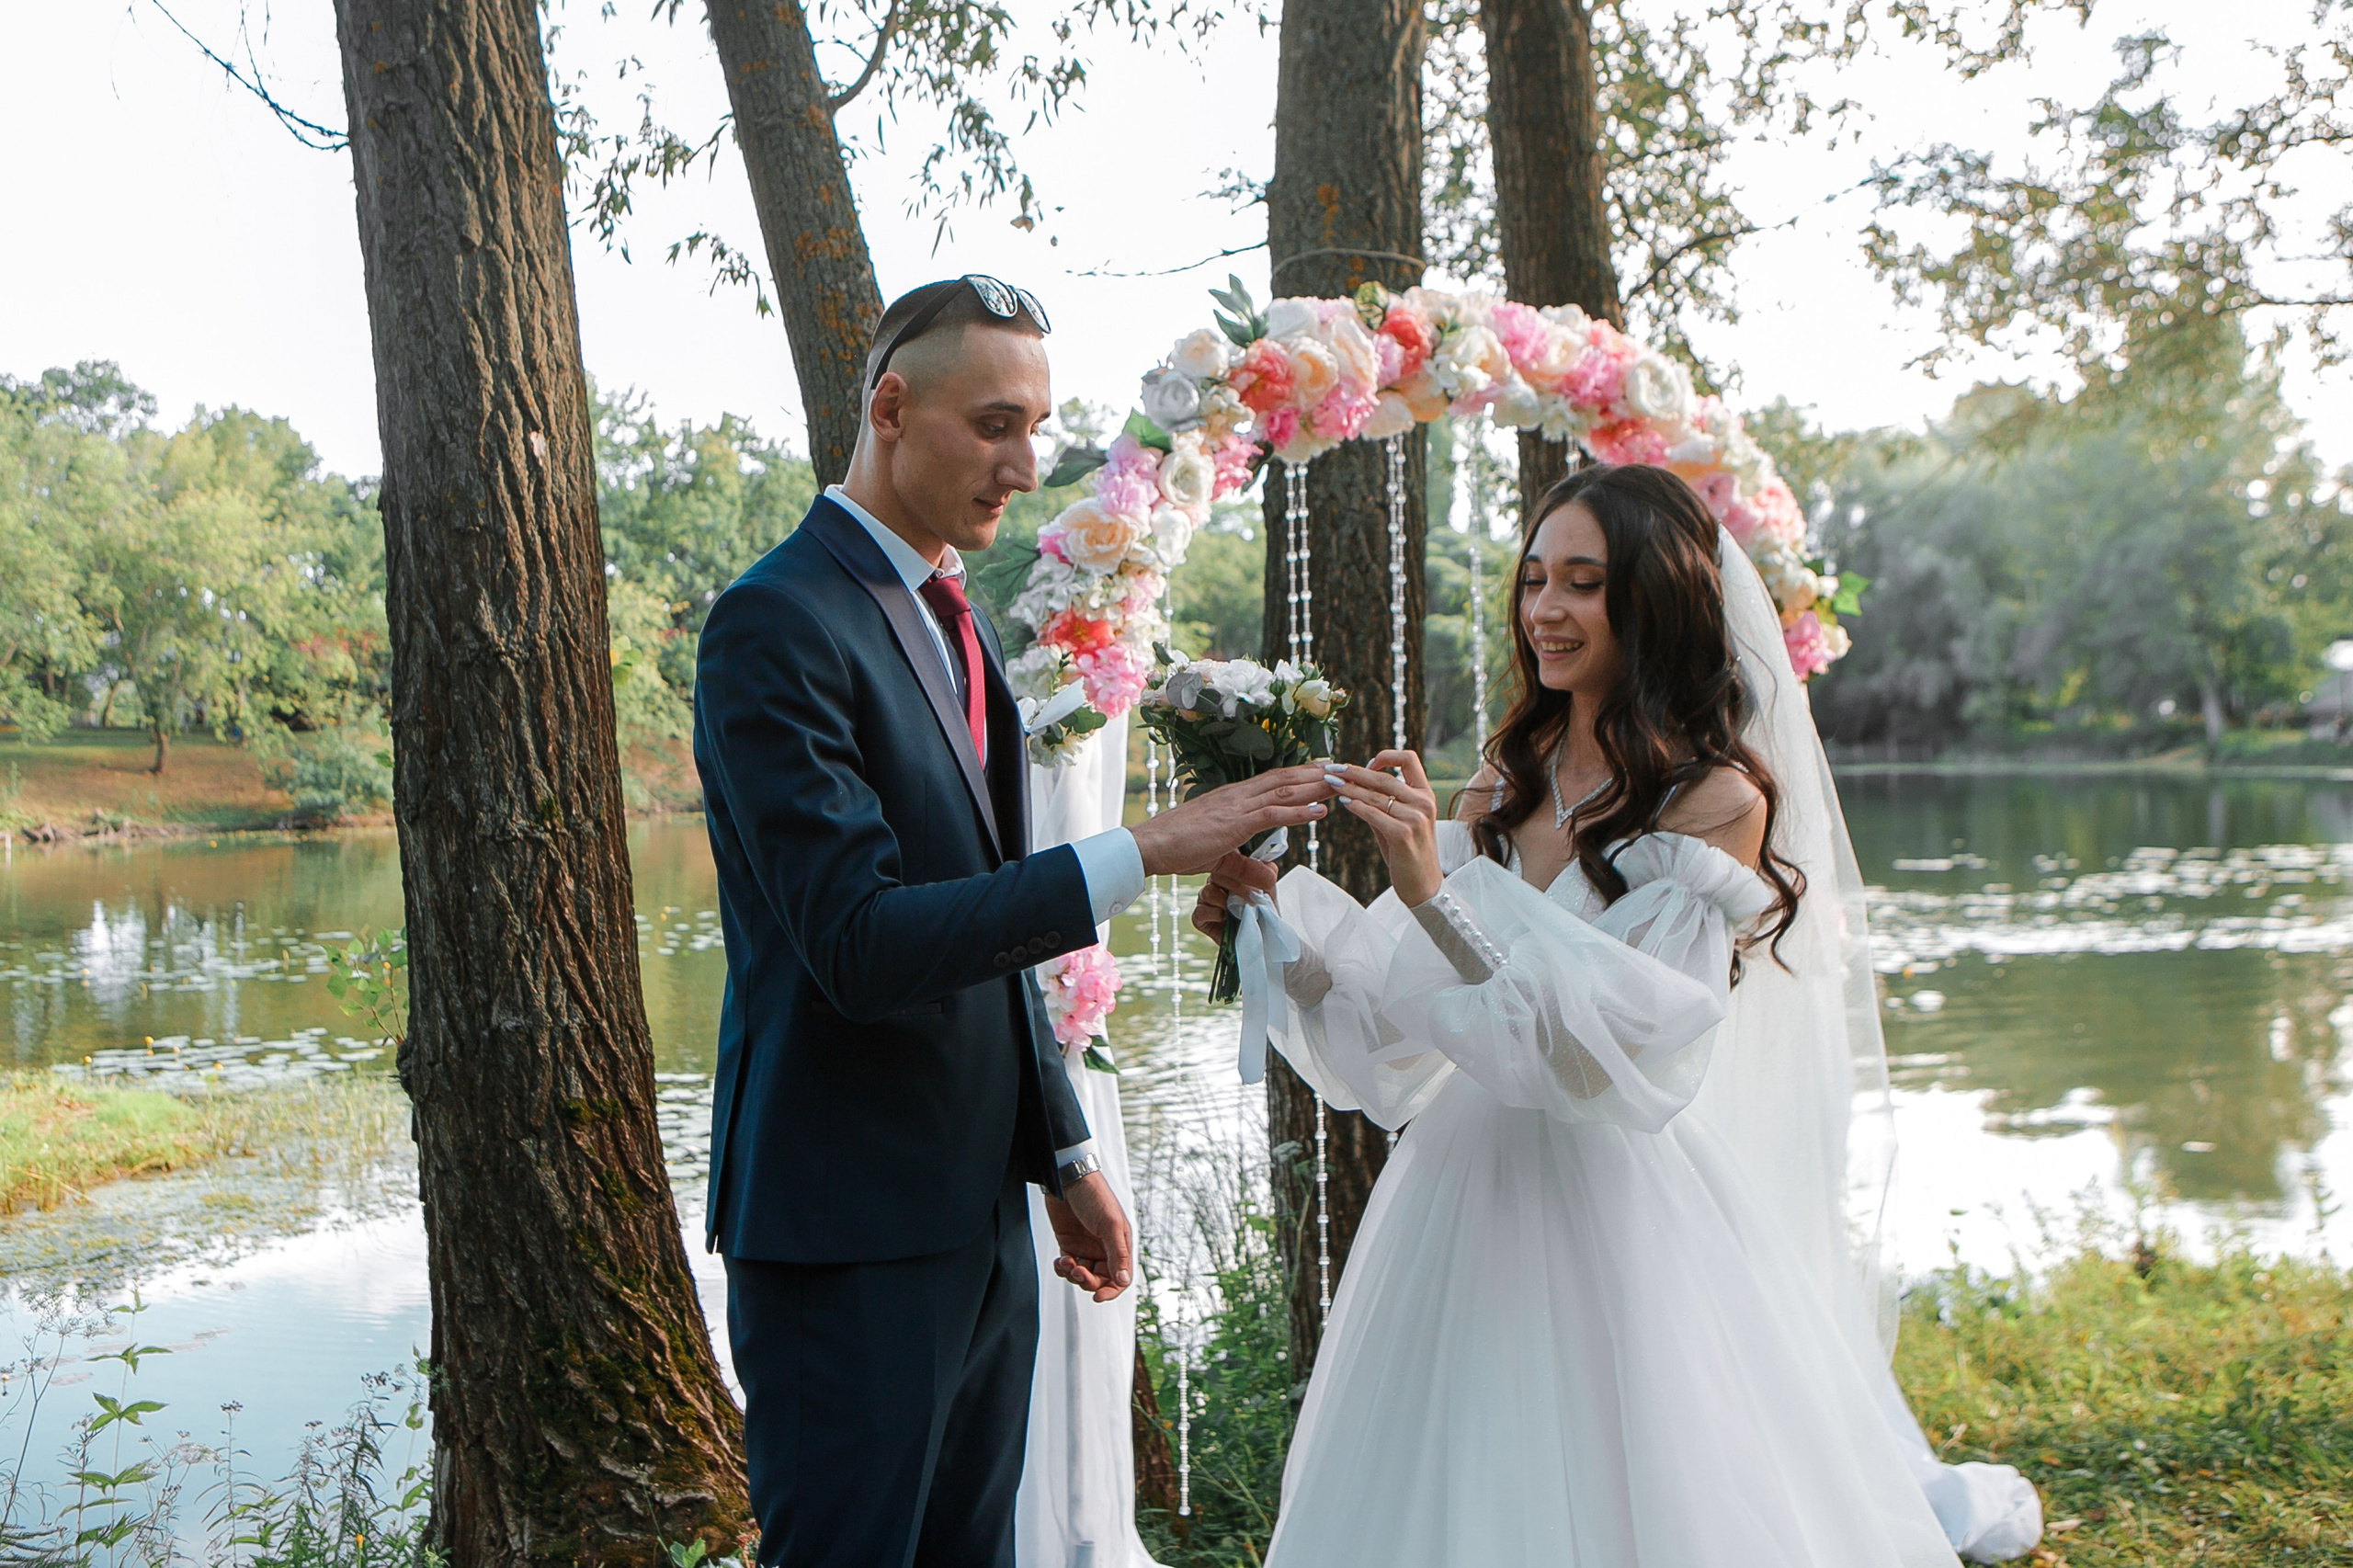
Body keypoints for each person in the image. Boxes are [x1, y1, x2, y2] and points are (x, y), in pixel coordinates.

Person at [1198, 462, 2044, 1566]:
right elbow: (1407, 1026)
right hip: (1460, 1183)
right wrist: (1278, 939)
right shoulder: (1503, 775)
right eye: (1535, 579)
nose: (1545, 610)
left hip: (1617, 1200)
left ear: (1654, 599)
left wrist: (1434, 889)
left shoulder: (1715, 801)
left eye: (1584, 583)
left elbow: (1599, 1061)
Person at [693, 276, 1335, 1568]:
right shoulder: (775, 625)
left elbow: (991, 931)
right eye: (995, 424)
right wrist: (1145, 849)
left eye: (1036, 427)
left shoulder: (959, 625)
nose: (1026, 465)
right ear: (890, 406)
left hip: (982, 1218)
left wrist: (1058, 1146)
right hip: (846, 1232)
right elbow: (865, 943)